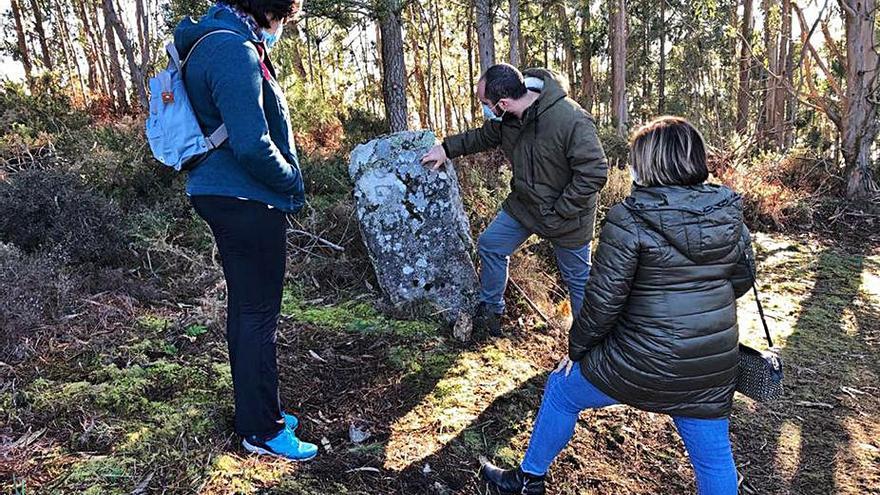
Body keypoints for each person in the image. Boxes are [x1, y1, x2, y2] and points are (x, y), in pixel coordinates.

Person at [480, 116, 755, 495]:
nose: (632, 168)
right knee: (714, 460)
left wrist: (577, 350)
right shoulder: (728, 212)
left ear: (652, 164)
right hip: (710, 364)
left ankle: (527, 482)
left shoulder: (630, 218)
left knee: (561, 390)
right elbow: (742, 279)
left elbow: (603, 300)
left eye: (636, 160)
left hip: (641, 361)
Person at [173, 0, 317, 461]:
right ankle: (264, 430)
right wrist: (293, 181)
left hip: (223, 193)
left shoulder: (209, 41)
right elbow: (253, 145)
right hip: (245, 197)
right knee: (258, 315)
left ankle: (255, 413)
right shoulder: (234, 50)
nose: (281, 29)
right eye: (284, 19)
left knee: (246, 312)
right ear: (270, 11)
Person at [422, 64, 608, 337]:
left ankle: (587, 347)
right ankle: (490, 314)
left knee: (578, 280)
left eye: (485, 103)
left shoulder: (572, 119)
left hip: (569, 216)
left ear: (503, 103)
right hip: (526, 205)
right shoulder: (507, 118)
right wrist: (446, 148)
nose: (484, 109)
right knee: (491, 245)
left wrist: (561, 210)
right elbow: (483, 137)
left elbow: (594, 172)